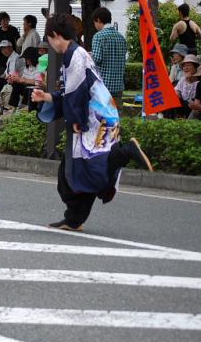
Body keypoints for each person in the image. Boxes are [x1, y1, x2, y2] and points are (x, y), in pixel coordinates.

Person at [32, 13, 153, 232]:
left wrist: (76, 119)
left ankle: (124, 152)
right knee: (80, 170)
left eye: (49, 39)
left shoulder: (75, 56)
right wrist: (48, 97)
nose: (49, 44)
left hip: (94, 119)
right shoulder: (76, 53)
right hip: (100, 114)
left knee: (85, 170)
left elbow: (77, 92)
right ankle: (74, 219)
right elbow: (73, 92)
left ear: (55, 35)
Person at [89, 7, 126, 108]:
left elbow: (97, 59)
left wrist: (89, 55)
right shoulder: (121, 37)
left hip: (103, 87)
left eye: (94, 22)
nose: (95, 26)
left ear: (98, 20)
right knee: (116, 119)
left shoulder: (98, 36)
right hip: (118, 86)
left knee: (102, 120)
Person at [167, 54, 200, 118]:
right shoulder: (183, 79)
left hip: (195, 109)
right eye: (184, 66)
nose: (186, 68)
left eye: (188, 65)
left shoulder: (200, 81)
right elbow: (176, 91)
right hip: (183, 110)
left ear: (195, 67)